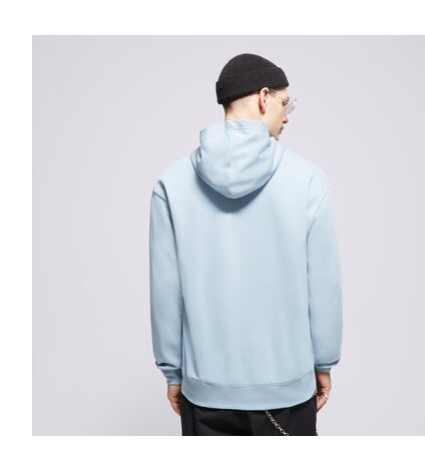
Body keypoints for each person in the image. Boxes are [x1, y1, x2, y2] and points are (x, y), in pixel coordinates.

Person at [149, 53, 343, 436]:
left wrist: (173, 372)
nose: (286, 116)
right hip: (286, 393)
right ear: (264, 97)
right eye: (285, 104)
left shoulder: (171, 184)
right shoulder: (308, 180)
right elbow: (323, 286)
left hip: (205, 394)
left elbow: (166, 293)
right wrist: (324, 362)